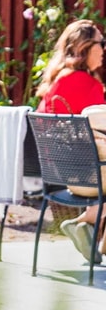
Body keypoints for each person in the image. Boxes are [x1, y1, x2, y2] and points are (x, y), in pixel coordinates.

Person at [36, 18, 106, 262]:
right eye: (102, 43)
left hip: (57, 173)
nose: (104, 50)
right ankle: (87, 221)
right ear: (85, 48)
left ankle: (88, 225)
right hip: (84, 177)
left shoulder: (57, 82)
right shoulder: (87, 85)